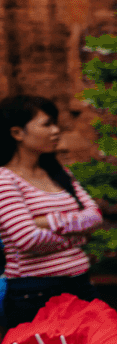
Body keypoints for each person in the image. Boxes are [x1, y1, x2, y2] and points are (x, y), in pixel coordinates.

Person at [0, 96, 102, 328]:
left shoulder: (59, 173)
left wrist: (48, 221)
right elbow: (27, 239)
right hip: (35, 293)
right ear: (17, 133)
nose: (56, 131)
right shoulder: (5, 180)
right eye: (47, 124)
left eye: (55, 123)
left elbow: (95, 216)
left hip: (80, 284)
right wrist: (78, 237)